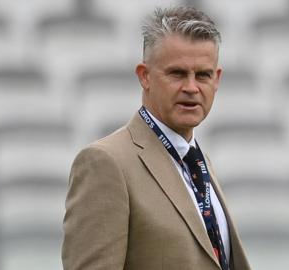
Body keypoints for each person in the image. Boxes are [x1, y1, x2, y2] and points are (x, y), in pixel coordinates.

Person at [62, 6, 251, 270]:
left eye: (203, 75)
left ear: (217, 79)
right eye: (177, 73)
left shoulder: (198, 162)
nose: (191, 87)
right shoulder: (106, 163)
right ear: (144, 76)